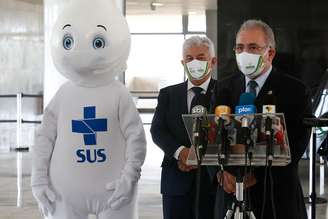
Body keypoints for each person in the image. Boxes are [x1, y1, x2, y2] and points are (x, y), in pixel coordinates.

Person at [31, 1, 146, 218]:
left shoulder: (119, 94)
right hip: (64, 193)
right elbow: (44, 138)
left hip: (114, 191)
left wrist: (129, 178)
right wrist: (38, 180)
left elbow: (136, 139)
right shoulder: (63, 95)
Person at [213, 19, 311, 219]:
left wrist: (255, 176)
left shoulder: (295, 90)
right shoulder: (223, 88)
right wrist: (221, 172)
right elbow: (210, 137)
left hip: (276, 199)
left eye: (253, 47)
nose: (244, 54)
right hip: (230, 198)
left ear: (270, 53)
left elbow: (296, 144)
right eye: (239, 47)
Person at [151, 36, 218, 219]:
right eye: (189, 58)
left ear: (213, 61)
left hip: (213, 183)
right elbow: (157, 130)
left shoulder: (225, 92)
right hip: (175, 181)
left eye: (201, 57)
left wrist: (202, 156)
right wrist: (181, 152)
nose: (195, 62)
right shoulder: (168, 94)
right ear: (183, 62)